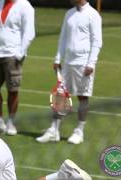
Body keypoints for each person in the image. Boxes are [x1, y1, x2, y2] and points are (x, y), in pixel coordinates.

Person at [36, 0, 102, 144]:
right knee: (61, 96)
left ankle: (79, 131)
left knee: (82, 97)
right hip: (67, 63)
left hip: (84, 63)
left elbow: (97, 41)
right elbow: (63, 38)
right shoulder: (69, 14)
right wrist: (58, 58)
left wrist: (91, 63)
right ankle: (54, 130)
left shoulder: (93, 15)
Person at [0, 0, 35, 135]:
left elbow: (29, 32)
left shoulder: (25, 6)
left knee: (12, 90)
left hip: (13, 55)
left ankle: (11, 122)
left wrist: (20, 53)